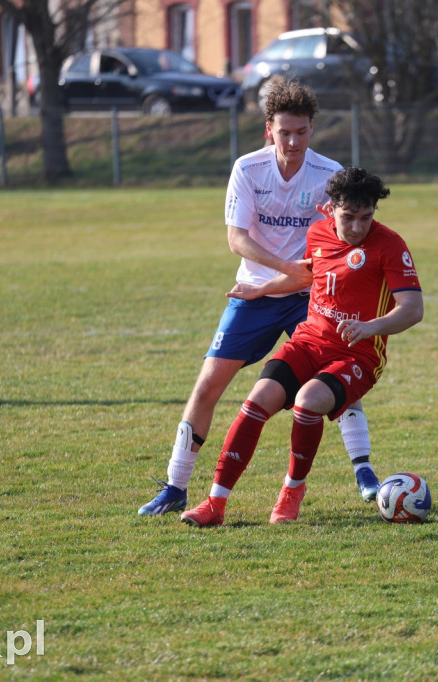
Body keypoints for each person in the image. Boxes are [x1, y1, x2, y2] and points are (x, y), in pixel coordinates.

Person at [138, 79, 383, 517]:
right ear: (268, 129)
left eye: (302, 132)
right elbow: (237, 238)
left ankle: (364, 472)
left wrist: (311, 276)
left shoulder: (329, 175)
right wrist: (287, 269)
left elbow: (345, 236)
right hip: (253, 292)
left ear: (312, 129)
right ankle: (176, 485)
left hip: (311, 298)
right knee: (208, 385)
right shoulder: (248, 169)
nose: (293, 141)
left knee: (337, 379)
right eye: (284, 132)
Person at [181, 166, 423, 526]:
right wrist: (261, 289)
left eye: (366, 217)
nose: (357, 227)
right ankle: (215, 503)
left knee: (307, 403)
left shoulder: (390, 246)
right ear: (333, 208)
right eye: (348, 217)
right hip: (308, 341)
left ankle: (292, 490)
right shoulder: (318, 232)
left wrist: (370, 327)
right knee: (255, 402)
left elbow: (413, 309)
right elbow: (309, 273)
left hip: (357, 354)